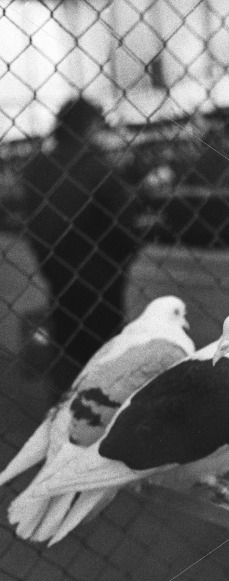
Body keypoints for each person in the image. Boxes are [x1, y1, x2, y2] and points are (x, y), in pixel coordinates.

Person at [22, 97, 140, 396]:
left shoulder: (37, 169)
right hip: (101, 275)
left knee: (68, 350)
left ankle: (65, 414)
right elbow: (123, 225)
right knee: (105, 354)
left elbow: (34, 224)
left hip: (59, 274)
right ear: (89, 126)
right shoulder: (96, 167)